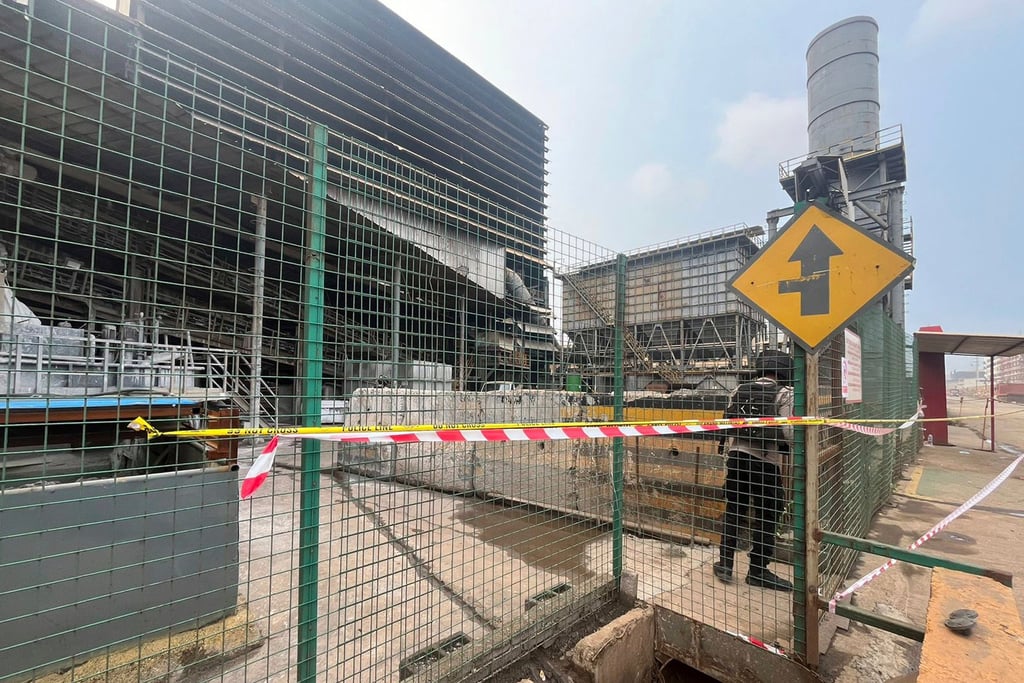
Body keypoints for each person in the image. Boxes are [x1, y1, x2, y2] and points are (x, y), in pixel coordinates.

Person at [713, 351, 794, 591]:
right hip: (765, 463)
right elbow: (789, 433)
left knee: (734, 511)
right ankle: (758, 570)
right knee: (768, 515)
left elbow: (728, 422)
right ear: (784, 372)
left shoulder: (739, 390)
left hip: (736, 459)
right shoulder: (785, 394)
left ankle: (725, 564)